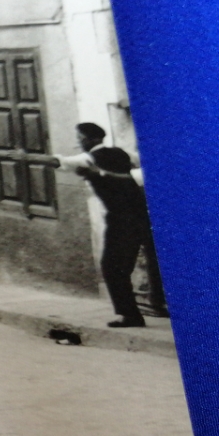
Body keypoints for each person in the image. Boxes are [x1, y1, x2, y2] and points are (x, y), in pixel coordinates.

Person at [48, 122, 161, 328]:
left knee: (112, 267)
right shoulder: (122, 154)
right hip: (142, 215)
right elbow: (141, 165)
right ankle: (158, 304)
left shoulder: (90, 158)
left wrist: (25, 158)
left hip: (121, 220)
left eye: (80, 137)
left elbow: (59, 161)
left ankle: (130, 315)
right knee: (155, 260)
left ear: (90, 140)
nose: (78, 141)